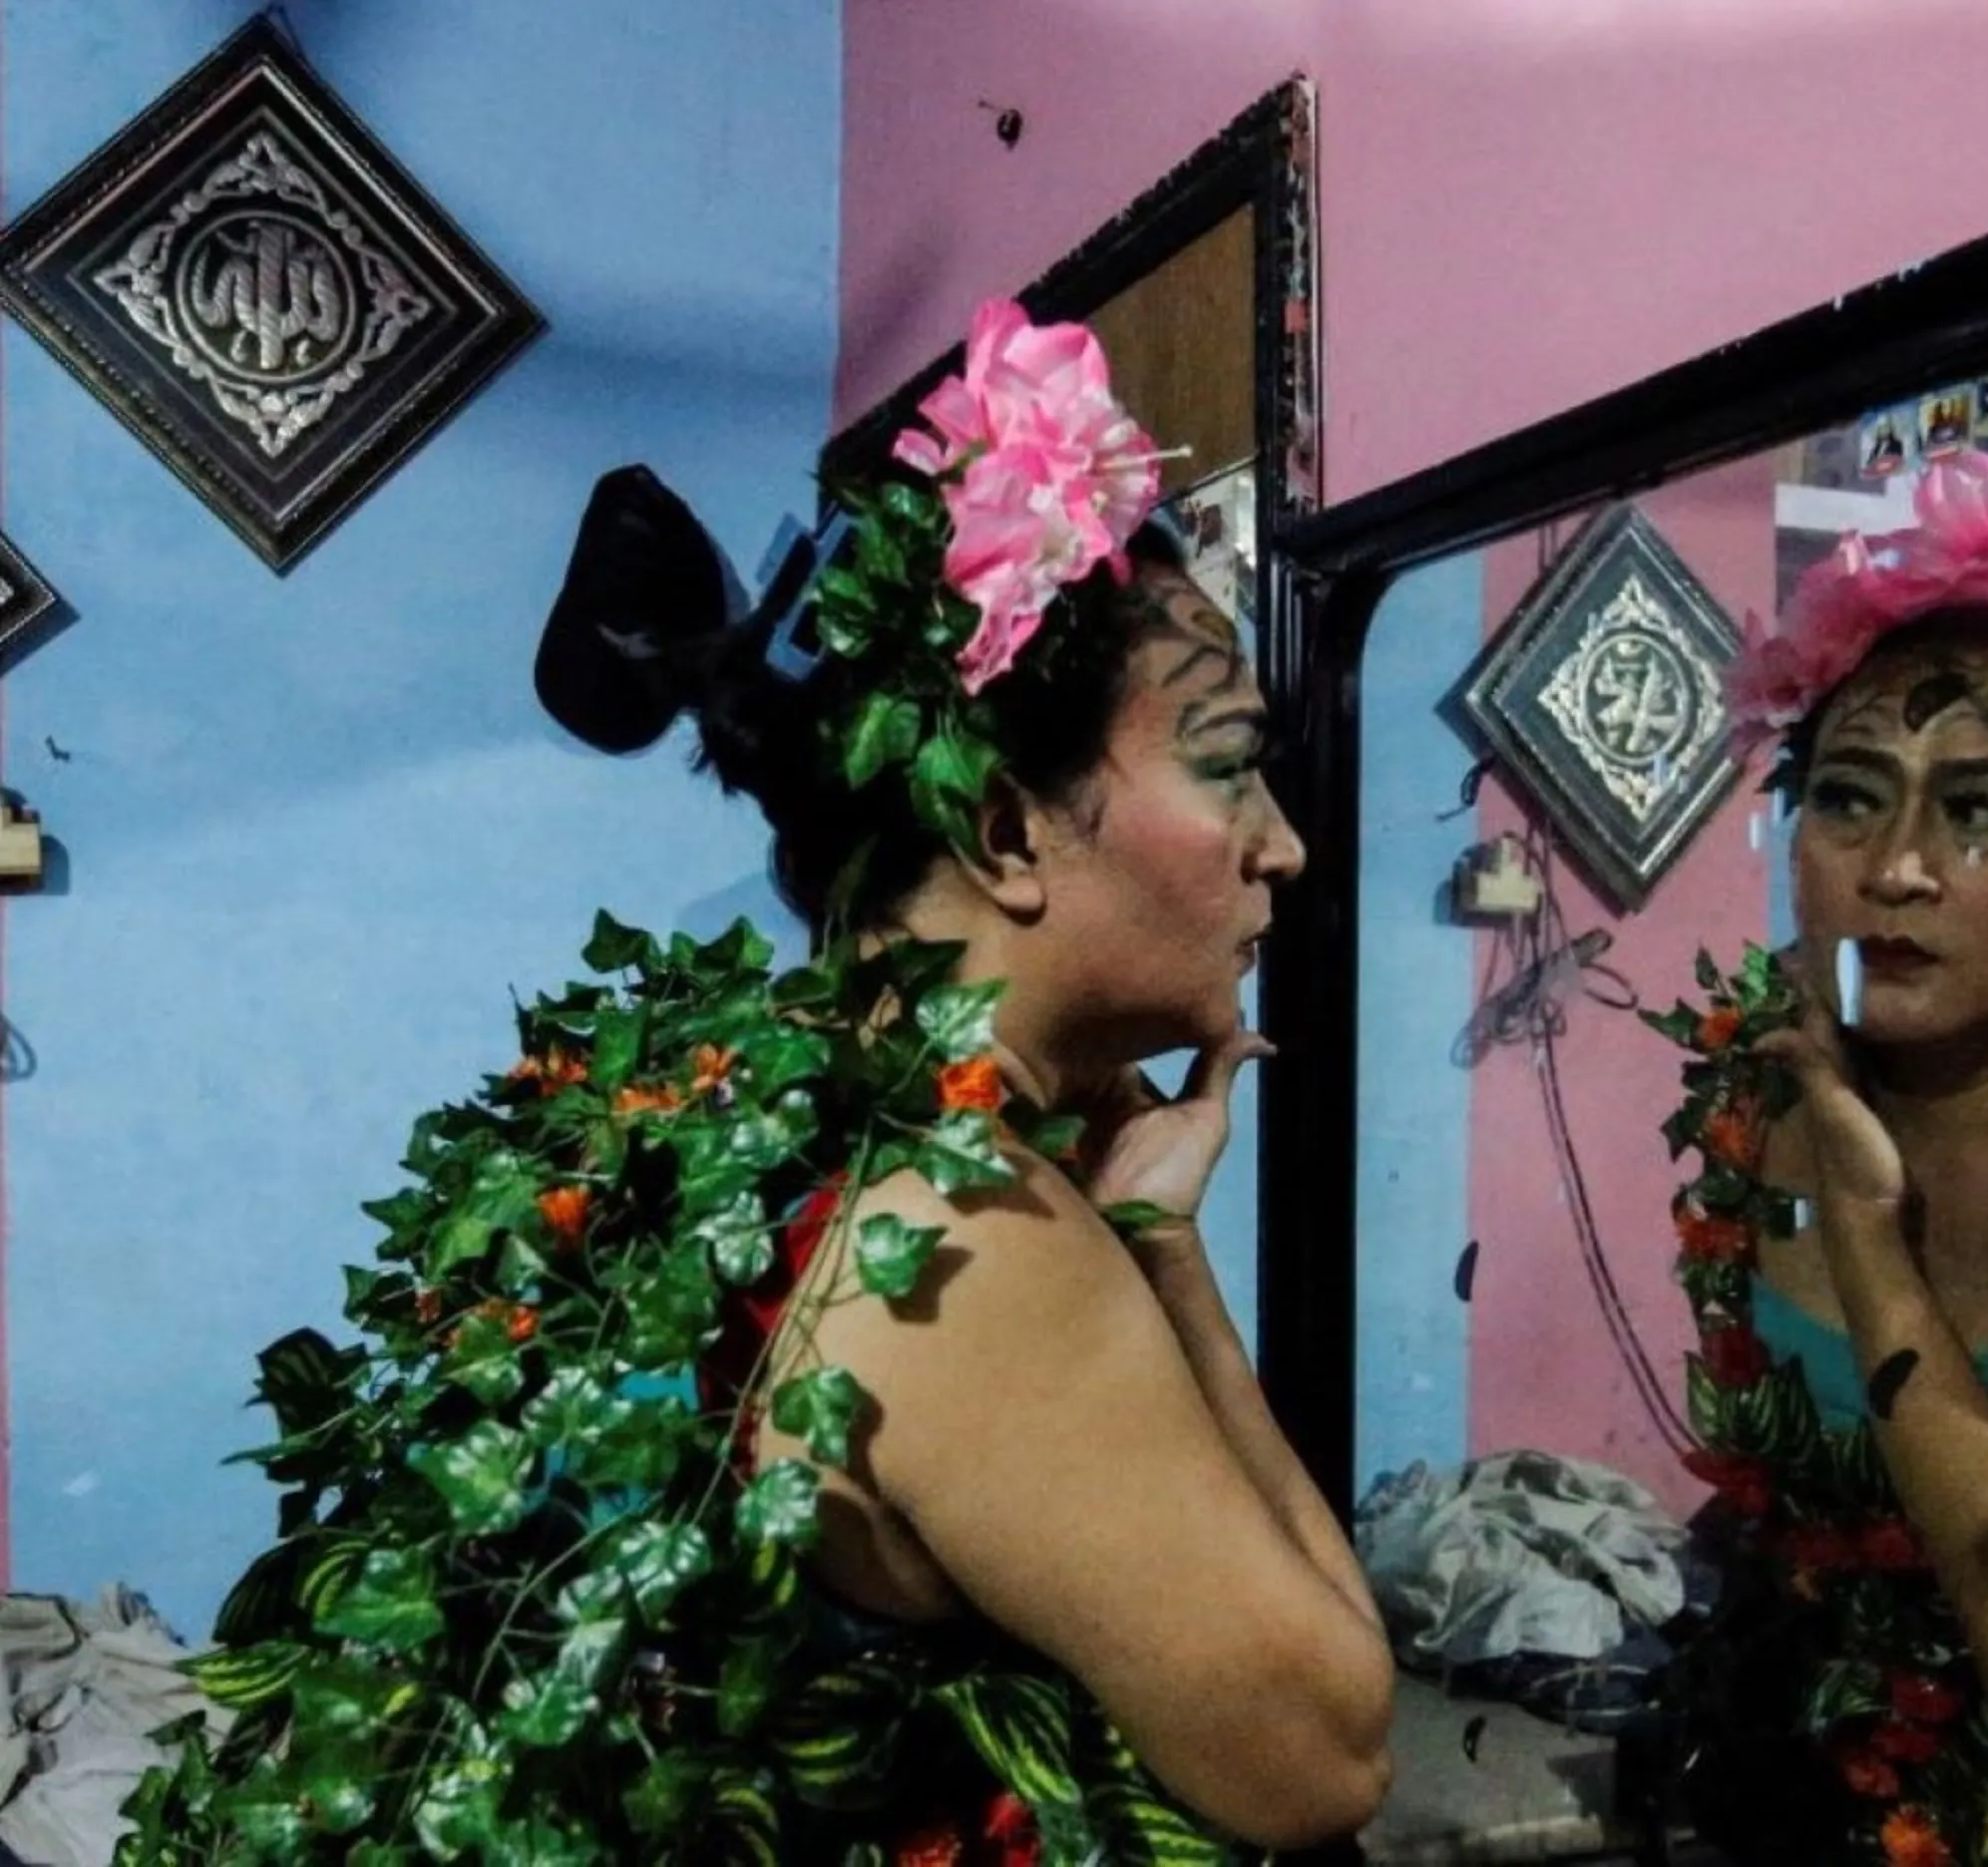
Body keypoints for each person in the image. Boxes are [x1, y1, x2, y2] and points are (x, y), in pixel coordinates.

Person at [118, 301, 1392, 1864]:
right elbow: (1326, 1759)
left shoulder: (715, 1110)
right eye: (1228, 761)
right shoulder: (968, 1245)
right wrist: (1165, 1256)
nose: (1286, 842)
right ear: (1003, 833)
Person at [1652, 451, 1988, 1866]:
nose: (1894, 867)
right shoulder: (1765, 1084)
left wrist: (1866, 1236)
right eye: (1849, 796)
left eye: (1984, 807)